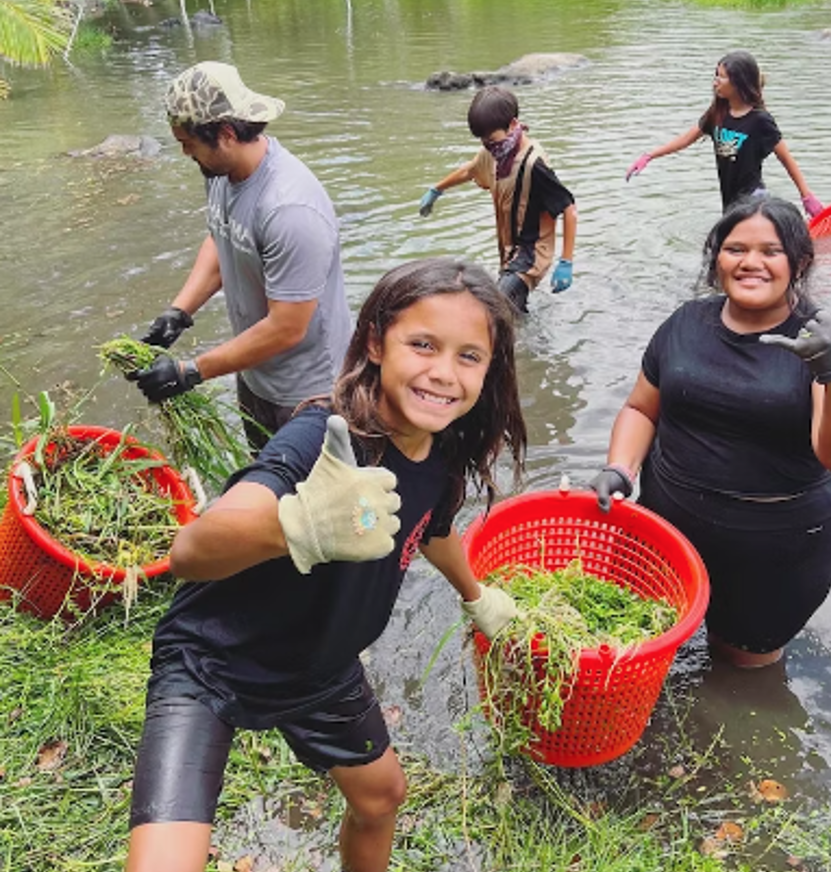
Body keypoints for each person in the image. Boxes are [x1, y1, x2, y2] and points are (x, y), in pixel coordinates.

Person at [124, 257, 528, 872]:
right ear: (375, 340)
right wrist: (296, 523)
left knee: (382, 796)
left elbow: (430, 529)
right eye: (422, 344)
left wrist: (477, 596)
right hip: (212, 660)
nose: (444, 373)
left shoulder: (442, 452)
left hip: (318, 666)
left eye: (469, 356)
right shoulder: (324, 438)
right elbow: (191, 552)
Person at [591, 196, 831, 668]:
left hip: (774, 550)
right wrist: (620, 469)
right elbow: (641, 408)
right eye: (735, 248)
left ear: (799, 261)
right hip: (667, 529)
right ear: (716, 256)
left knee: (740, 674)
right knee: (633, 647)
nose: (750, 263)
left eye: (770, 251)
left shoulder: (825, 343)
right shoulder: (686, 322)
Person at [129, 61, 353, 453]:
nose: (184, 153)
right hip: (255, 373)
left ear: (227, 133)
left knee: (310, 506)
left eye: (188, 143)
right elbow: (221, 237)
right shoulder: (221, 173)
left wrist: (189, 372)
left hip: (309, 395)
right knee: (262, 483)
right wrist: (178, 313)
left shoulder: (290, 208)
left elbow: (287, 327)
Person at [417, 85, 578, 314]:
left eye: (490, 138)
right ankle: (532, 345)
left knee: (493, 309)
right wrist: (436, 190)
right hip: (510, 252)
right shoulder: (495, 152)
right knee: (513, 315)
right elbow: (470, 170)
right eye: (482, 140)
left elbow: (569, 208)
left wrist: (566, 261)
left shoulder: (534, 165)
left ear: (512, 124)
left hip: (530, 255)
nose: (487, 145)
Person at [625, 50, 824, 216]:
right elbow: (686, 139)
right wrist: (649, 156)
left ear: (739, 82)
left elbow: (785, 158)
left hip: (753, 200)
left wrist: (806, 195)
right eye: (716, 75)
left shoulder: (760, 120)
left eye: (721, 77)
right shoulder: (717, 114)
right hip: (729, 201)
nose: (715, 82)